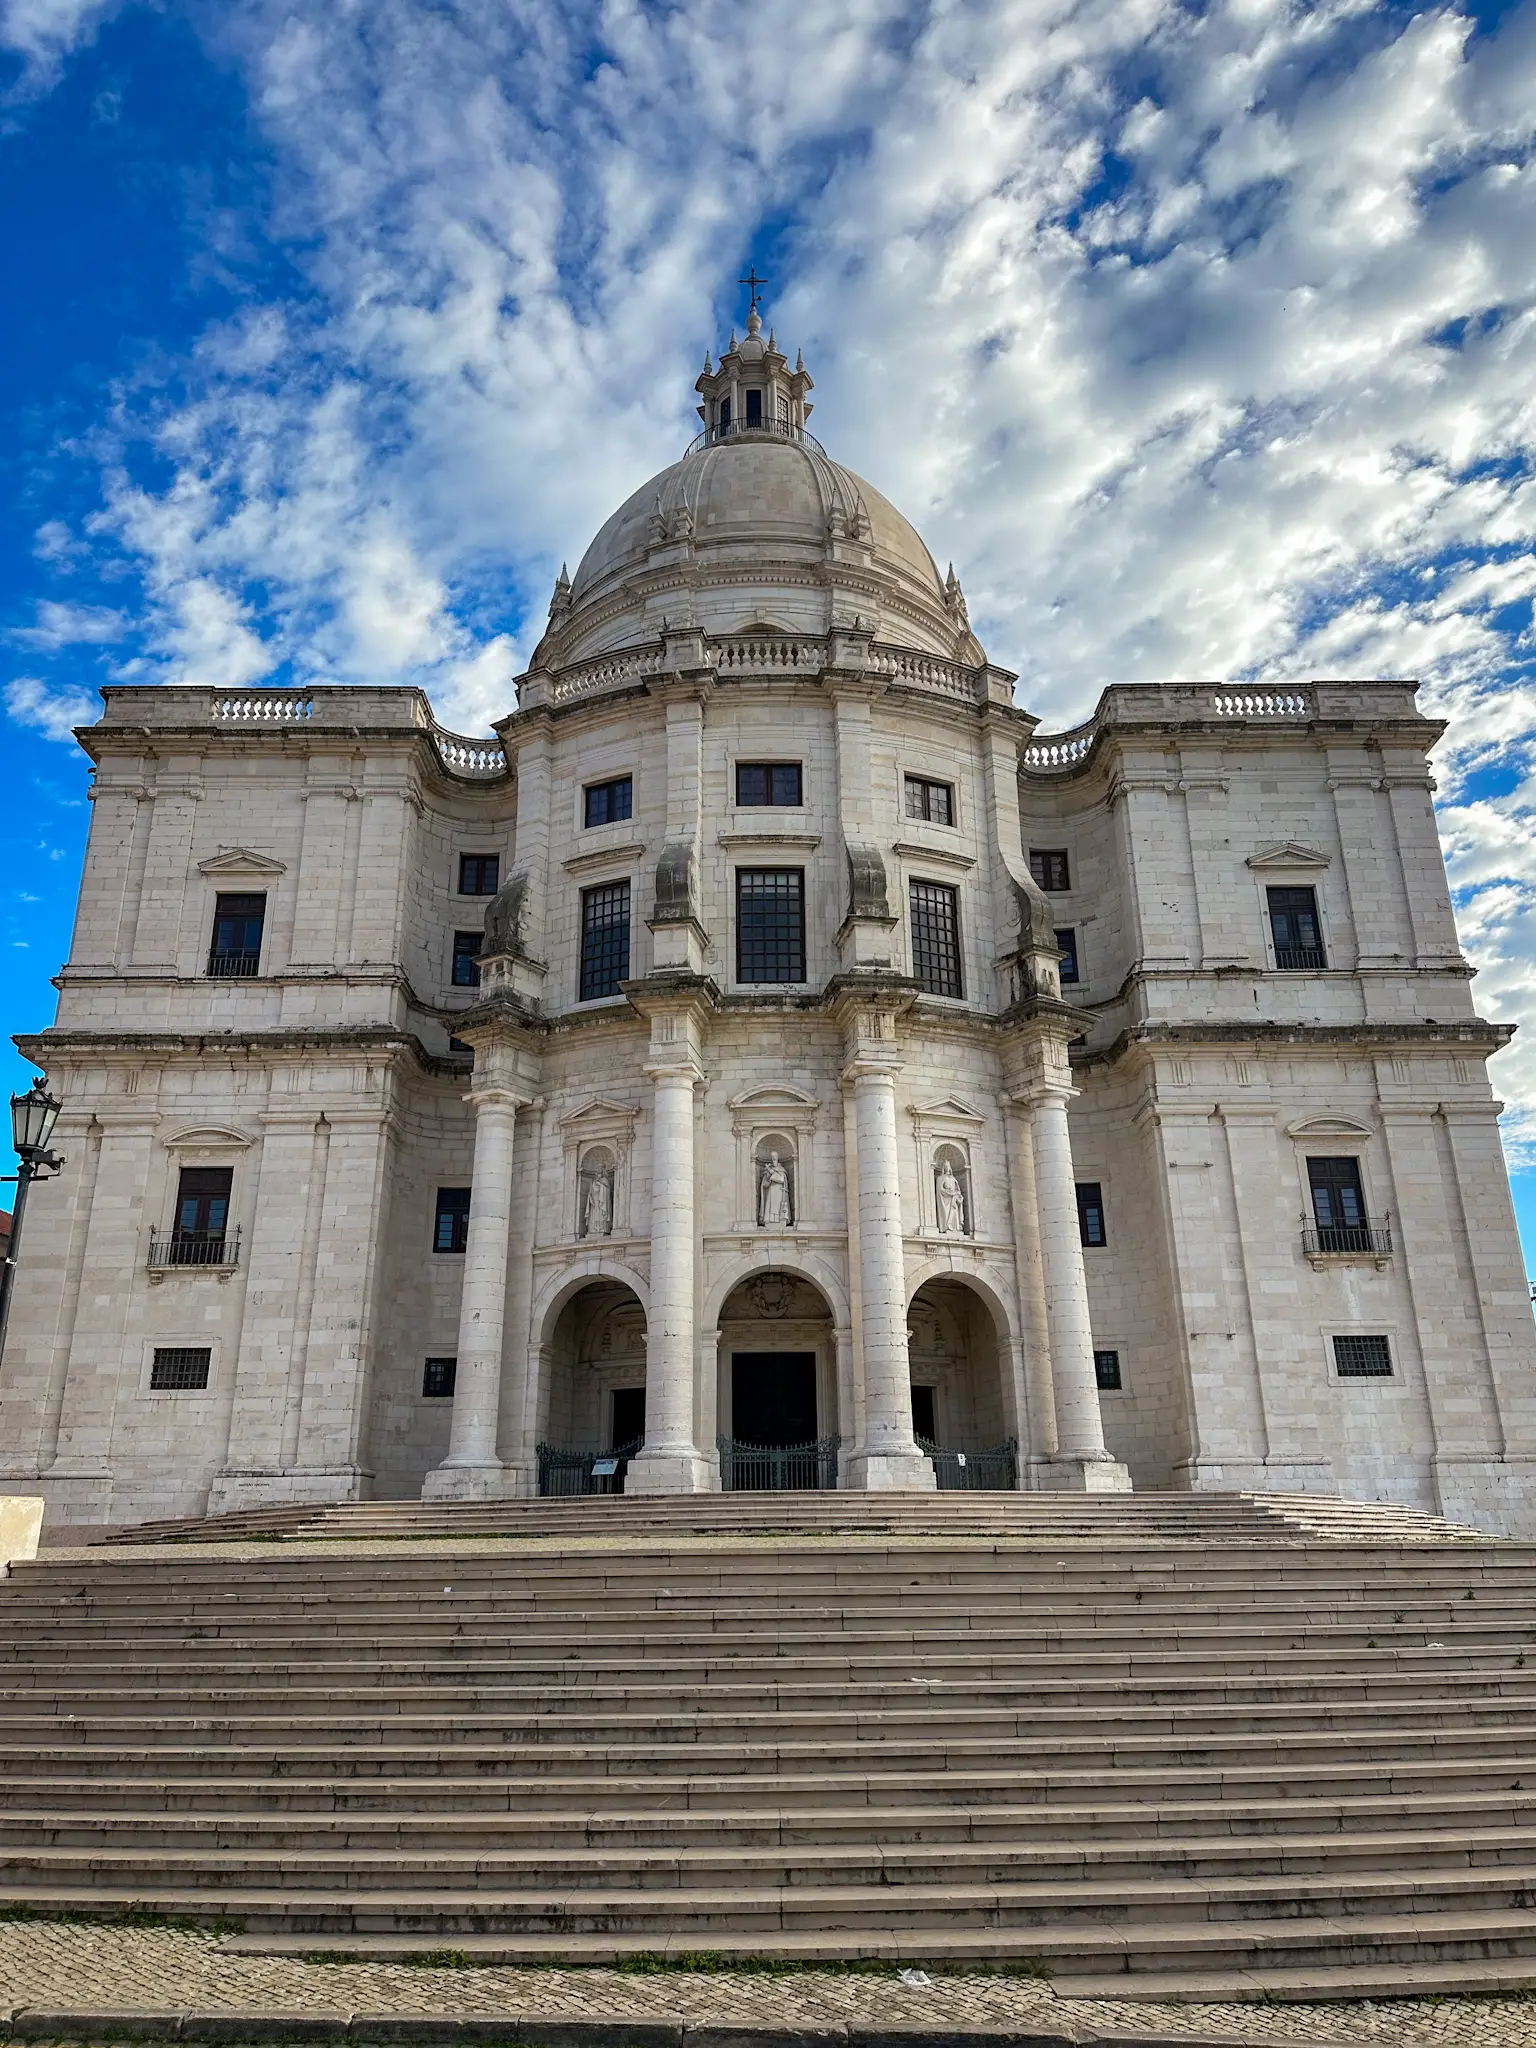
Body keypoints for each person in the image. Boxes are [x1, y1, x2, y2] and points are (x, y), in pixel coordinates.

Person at [758, 1150, 793, 1228]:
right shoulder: (769, 1168)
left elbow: (781, 1179)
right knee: (770, 1205)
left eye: (775, 1156)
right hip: (771, 1189)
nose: (773, 1158)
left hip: (779, 1190)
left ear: (777, 1157)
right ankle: (769, 1220)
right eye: (772, 1156)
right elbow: (765, 1182)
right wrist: (768, 1173)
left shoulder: (781, 1169)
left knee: (778, 1206)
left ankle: (780, 1220)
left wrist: (771, 1172)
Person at [936, 1159, 966, 1234]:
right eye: (946, 1166)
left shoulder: (953, 1179)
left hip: (953, 1200)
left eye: (948, 1166)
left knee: (954, 1213)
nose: (947, 1167)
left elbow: (957, 1189)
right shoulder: (940, 1178)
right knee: (947, 1214)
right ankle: (947, 1227)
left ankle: (956, 1228)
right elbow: (940, 1190)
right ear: (943, 1168)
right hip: (946, 1200)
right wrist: (949, 1193)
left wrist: (957, 1194)